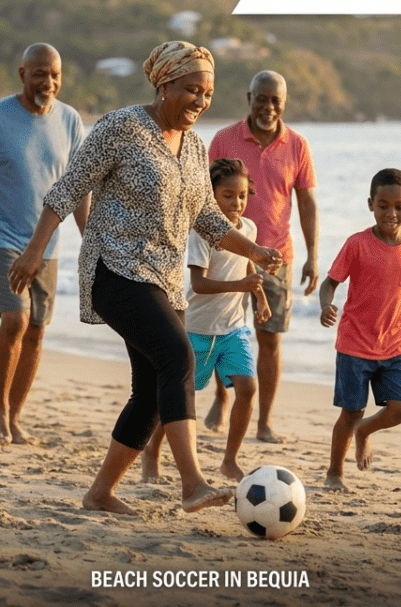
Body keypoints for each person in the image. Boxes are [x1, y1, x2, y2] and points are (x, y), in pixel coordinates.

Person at [7, 41, 282, 514]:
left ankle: (99, 494)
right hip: (113, 268)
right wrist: (34, 251)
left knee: (152, 390)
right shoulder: (121, 127)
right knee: (178, 356)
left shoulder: (195, 148)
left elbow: (208, 219)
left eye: (208, 92)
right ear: (163, 84)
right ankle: (193, 481)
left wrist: (254, 248)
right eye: (191, 89)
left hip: (164, 279)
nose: (200, 100)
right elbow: (68, 188)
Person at [208, 70, 319, 444]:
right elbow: (204, 198)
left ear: (284, 103)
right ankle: (222, 399)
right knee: (219, 330)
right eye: (261, 98)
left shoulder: (297, 145)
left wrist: (312, 256)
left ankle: (263, 422)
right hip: (225, 253)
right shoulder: (224, 139)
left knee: (269, 338)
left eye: (275, 100)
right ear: (248, 97)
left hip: (275, 257)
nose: (268, 106)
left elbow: (306, 202)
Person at [144, 158, 271, 482]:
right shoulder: (203, 233)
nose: (236, 203)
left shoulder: (250, 230)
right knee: (177, 398)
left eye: (242, 196)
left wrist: (260, 299)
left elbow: (248, 270)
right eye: (228, 196)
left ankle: (229, 460)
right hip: (196, 331)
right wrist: (239, 287)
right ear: (212, 195)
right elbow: (198, 284)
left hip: (233, 329)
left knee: (247, 388)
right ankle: (151, 453)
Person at [0, 43, 89, 445]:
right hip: (4, 238)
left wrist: (92, 241)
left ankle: (15, 415)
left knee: (36, 330)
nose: (48, 82)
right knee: (15, 321)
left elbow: (80, 187)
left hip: (49, 245)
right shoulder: (2, 116)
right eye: (39, 74)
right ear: (22, 75)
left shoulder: (70, 120)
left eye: (54, 74)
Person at [319, 168, 401, 490]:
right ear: (370, 204)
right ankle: (334, 472)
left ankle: (366, 431)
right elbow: (330, 282)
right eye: (383, 205)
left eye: (398, 206)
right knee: (351, 412)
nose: (391, 213)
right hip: (354, 343)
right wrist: (325, 304)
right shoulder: (357, 244)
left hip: (393, 343)